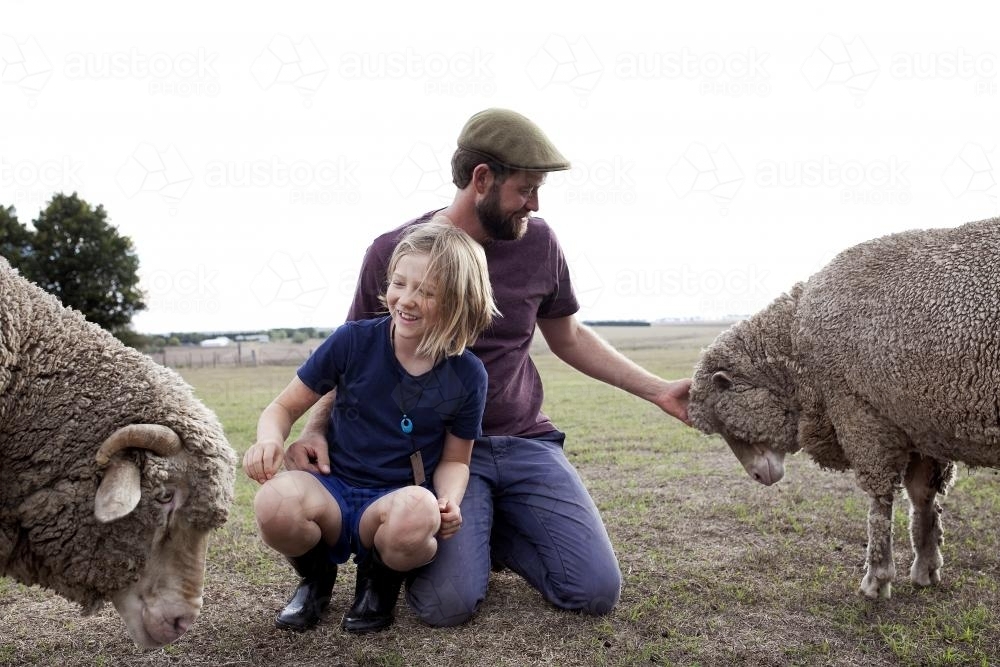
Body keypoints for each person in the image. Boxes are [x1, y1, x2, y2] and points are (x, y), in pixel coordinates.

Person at [285, 108, 692, 631]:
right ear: (482, 179)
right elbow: (348, 356)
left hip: (525, 440)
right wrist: (315, 428)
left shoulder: (540, 243)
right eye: (526, 189)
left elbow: (567, 335)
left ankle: (497, 529)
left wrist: (658, 390)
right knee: (444, 606)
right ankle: (468, 533)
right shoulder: (396, 252)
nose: (535, 203)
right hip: (448, 455)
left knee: (594, 593)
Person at [242, 220, 498, 632]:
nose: (407, 300)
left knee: (420, 511)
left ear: (458, 302)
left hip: (394, 501)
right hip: (333, 488)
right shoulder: (352, 341)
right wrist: (269, 439)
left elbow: (456, 459)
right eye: (400, 283)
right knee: (274, 504)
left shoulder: (467, 374)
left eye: (427, 292)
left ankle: (377, 584)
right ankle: (316, 580)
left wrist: (448, 499)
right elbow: (282, 408)